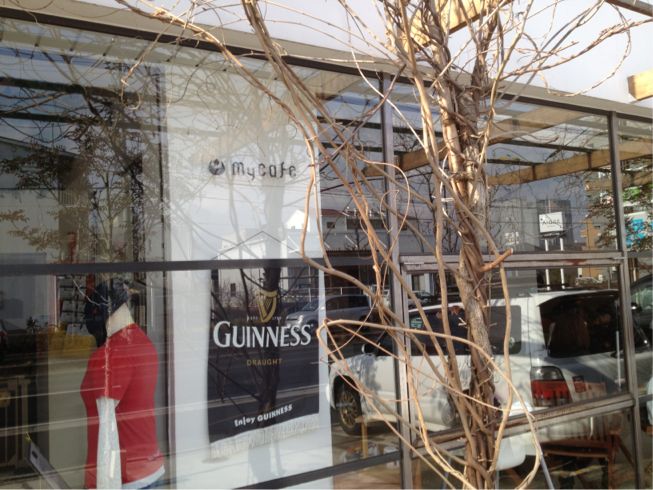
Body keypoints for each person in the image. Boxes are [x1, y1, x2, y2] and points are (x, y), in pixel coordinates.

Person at [81, 277, 164, 489]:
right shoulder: (144, 343)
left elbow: (106, 431)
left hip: (125, 477)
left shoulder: (110, 355)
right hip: (150, 465)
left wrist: (102, 484)